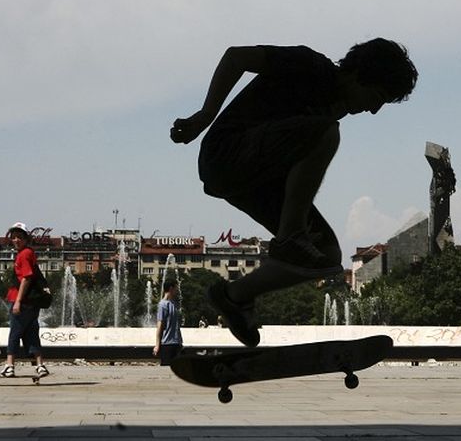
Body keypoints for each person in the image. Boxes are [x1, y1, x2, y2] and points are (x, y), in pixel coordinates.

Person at [170, 39, 418, 348]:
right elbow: (236, 57)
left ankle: (234, 297)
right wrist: (204, 116)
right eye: (377, 97)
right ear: (359, 74)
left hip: (255, 180)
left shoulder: (330, 106)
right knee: (325, 132)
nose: (374, 110)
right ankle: (290, 237)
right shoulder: (309, 65)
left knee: (325, 256)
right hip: (226, 155)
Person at [0, 222, 49, 378]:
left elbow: (26, 278)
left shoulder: (24, 254)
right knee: (31, 332)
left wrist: (18, 302)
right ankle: (40, 365)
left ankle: (10, 365)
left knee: (15, 332)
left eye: (19, 237)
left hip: (22, 301)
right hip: (32, 302)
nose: (16, 240)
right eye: (13, 237)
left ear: (26, 238)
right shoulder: (28, 252)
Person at [153, 280, 183, 366]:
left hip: (177, 343)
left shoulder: (174, 303)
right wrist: (157, 345)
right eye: (176, 288)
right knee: (167, 369)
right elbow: (160, 325)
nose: (177, 290)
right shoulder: (163, 305)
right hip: (167, 344)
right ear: (171, 288)